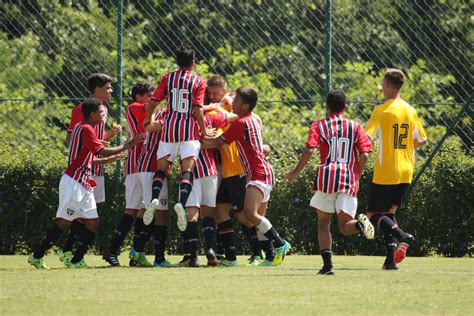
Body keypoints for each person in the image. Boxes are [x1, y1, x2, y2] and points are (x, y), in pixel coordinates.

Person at [28, 98, 143, 269]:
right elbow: (101, 150)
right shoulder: (86, 129)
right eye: (101, 112)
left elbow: (87, 159)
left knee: (92, 222)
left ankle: (76, 261)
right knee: (64, 222)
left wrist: (110, 159)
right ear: (92, 114)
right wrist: (129, 144)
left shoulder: (81, 128)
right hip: (74, 182)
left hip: (83, 183)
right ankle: (36, 256)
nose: (104, 115)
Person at [284, 89, 375, 275]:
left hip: (326, 178)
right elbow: (365, 154)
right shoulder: (355, 126)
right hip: (348, 178)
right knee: (345, 227)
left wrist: (295, 172)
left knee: (323, 223)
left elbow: (309, 149)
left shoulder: (319, 125)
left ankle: (327, 266)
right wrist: (356, 174)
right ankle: (360, 224)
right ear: (345, 107)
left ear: (327, 106)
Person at [202, 87, 291, 267]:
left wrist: (195, 139)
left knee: (250, 215)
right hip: (262, 171)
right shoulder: (252, 119)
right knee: (257, 217)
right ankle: (270, 256)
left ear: (245, 105)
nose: (233, 103)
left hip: (257, 173)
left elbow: (217, 142)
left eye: (237, 101)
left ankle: (281, 243)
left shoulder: (240, 123)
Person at [142, 44, 210, 233]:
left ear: (177, 61)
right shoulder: (198, 81)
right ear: (193, 62)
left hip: (169, 129)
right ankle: (181, 202)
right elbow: (197, 108)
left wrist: (148, 118)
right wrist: (203, 130)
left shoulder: (168, 78)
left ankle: (155, 197)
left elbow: (154, 101)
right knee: (187, 170)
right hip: (189, 131)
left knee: (162, 169)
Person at [365, 68, 427, 270]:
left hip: (387, 170)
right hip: (406, 169)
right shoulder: (410, 110)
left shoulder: (381, 110)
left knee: (373, 214)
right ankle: (390, 261)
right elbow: (422, 140)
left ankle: (402, 236)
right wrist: (405, 148)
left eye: (383, 83)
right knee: (389, 215)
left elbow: (366, 139)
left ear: (387, 85)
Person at [59, 73, 122, 266]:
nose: (111, 91)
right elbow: (72, 139)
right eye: (108, 87)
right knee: (81, 212)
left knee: (92, 211)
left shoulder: (102, 109)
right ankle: (68, 251)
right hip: (85, 169)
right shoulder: (82, 109)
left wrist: (109, 134)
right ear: (97, 89)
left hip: (96, 167)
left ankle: (73, 252)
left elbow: (95, 141)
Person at [102, 82, 156, 267]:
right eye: (150, 94)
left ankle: (117, 250)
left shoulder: (144, 108)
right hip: (140, 163)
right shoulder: (135, 107)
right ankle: (134, 251)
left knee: (136, 209)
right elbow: (152, 111)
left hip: (137, 164)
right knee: (149, 208)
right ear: (139, 96)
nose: (152, 98)